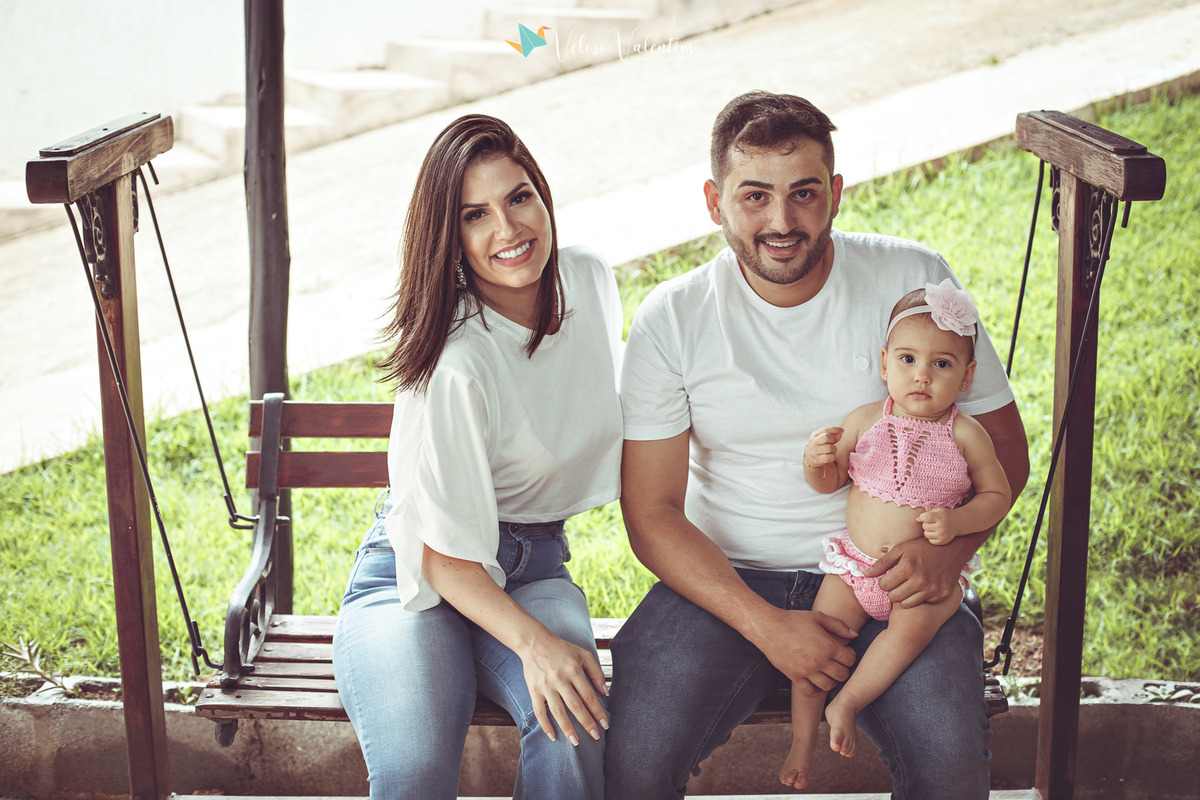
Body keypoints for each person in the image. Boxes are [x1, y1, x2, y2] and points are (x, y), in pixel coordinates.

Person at [605, 91, 1029, 799]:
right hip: (728, 582)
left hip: (896, 578)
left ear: (835, 193)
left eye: (804, 193)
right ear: (714, 201)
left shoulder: (911, 280)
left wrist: (945, 556)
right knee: (633, 761)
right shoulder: (672, 318)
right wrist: (767, 625)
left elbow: (1004, 452)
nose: (781, 221)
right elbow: (651, 511)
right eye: (754, 196)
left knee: (950, 769)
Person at [332, 114, 624, 800]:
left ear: (543, 197)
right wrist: (536, 647)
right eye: (476, 215)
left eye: (519, 198)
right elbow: (442, 557)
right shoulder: (456, 362)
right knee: (415, 771)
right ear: (452, 239)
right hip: (420, 580)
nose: (509, 230)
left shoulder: (586, 280)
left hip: (532, 566)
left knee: (574, 723)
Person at [780, 280, 1012, 789]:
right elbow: (831, 482)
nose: (922, 376)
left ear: (967, 375)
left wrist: (957, 523)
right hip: (856, 564)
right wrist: (815, 462)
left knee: (907, 635)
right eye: (907, 360)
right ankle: (803, 740)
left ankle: (850, 701)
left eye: (942, 364)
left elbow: (998, 496)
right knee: (817, 640)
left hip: (924, 583)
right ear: (885, 363)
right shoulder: (866, 422)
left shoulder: (965, 434)